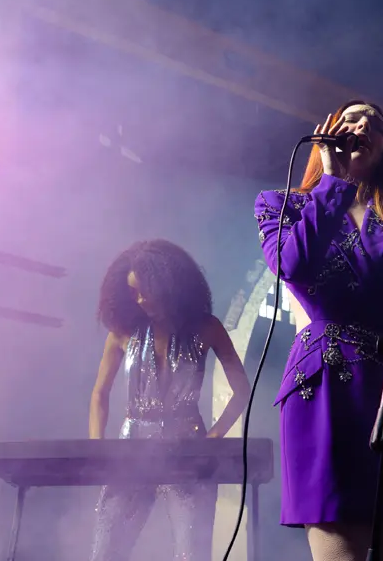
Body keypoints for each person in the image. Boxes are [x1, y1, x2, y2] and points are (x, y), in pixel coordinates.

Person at [253, 100, 383, 560]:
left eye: (378, 125)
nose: (365, 125)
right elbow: (293, 263)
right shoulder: (280, 204)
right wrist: (334, 183)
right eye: (352, 118)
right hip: (326, 389)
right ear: (327, 138)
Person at [88, 239, 251, 561]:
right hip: (130, 447)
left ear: (169, 285)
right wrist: (97, 448)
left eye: (144, 289)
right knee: (107, 551)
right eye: (132, 291)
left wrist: (215, 435)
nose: (139, 299)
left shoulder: (207, 328)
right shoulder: (123, 330)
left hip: (188, 446)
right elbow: (99, 394)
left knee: (192, 553)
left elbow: (242, 389)